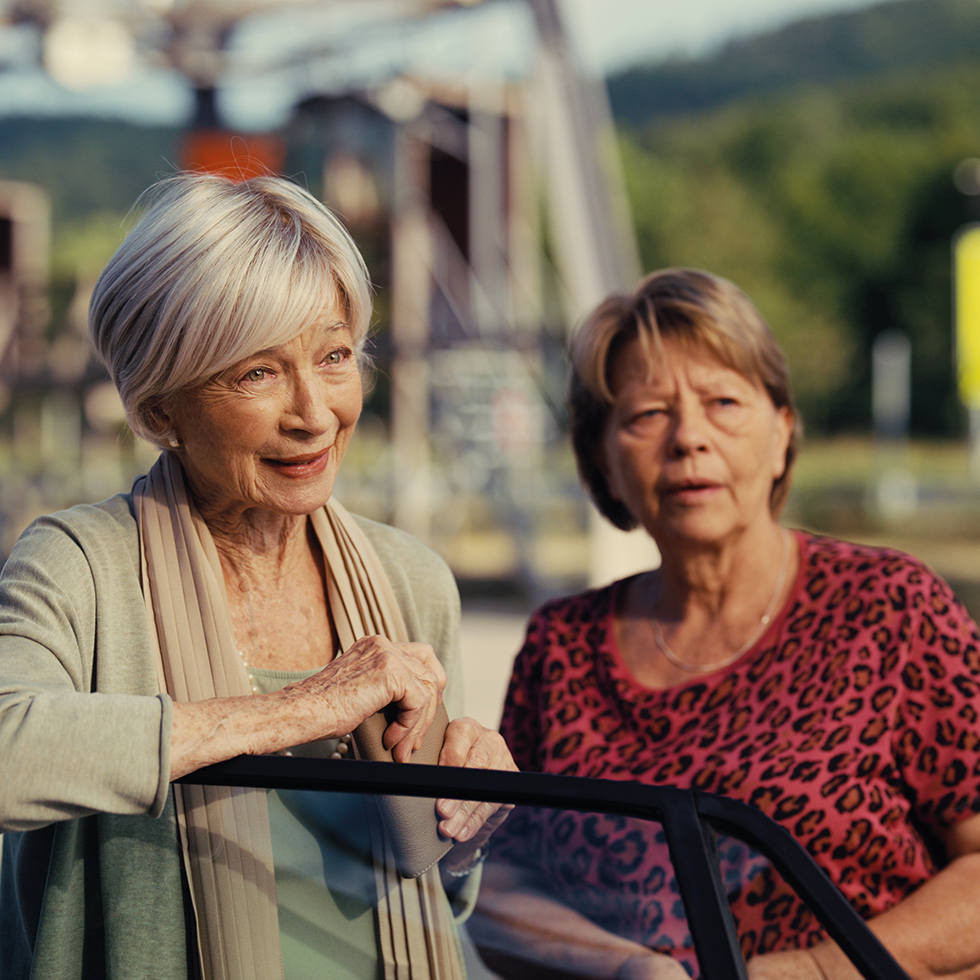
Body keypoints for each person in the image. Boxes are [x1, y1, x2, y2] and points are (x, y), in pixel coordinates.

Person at [0, 171, 516, 980]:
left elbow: (436, 891)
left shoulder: (411, 577)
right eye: (257, 373)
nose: (314, 412)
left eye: (335, 356)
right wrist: (297, 710)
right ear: (159, 408)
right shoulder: (79, 566)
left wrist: (468, 814)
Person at [470, 268, 980, 980]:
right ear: (603, 463)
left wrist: (812, 972)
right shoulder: (562, 646)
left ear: (782, 435)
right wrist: (630, 971)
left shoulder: (892, 608)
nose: (688, 439)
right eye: (647, 414)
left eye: (723, 403)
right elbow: (497, 882)